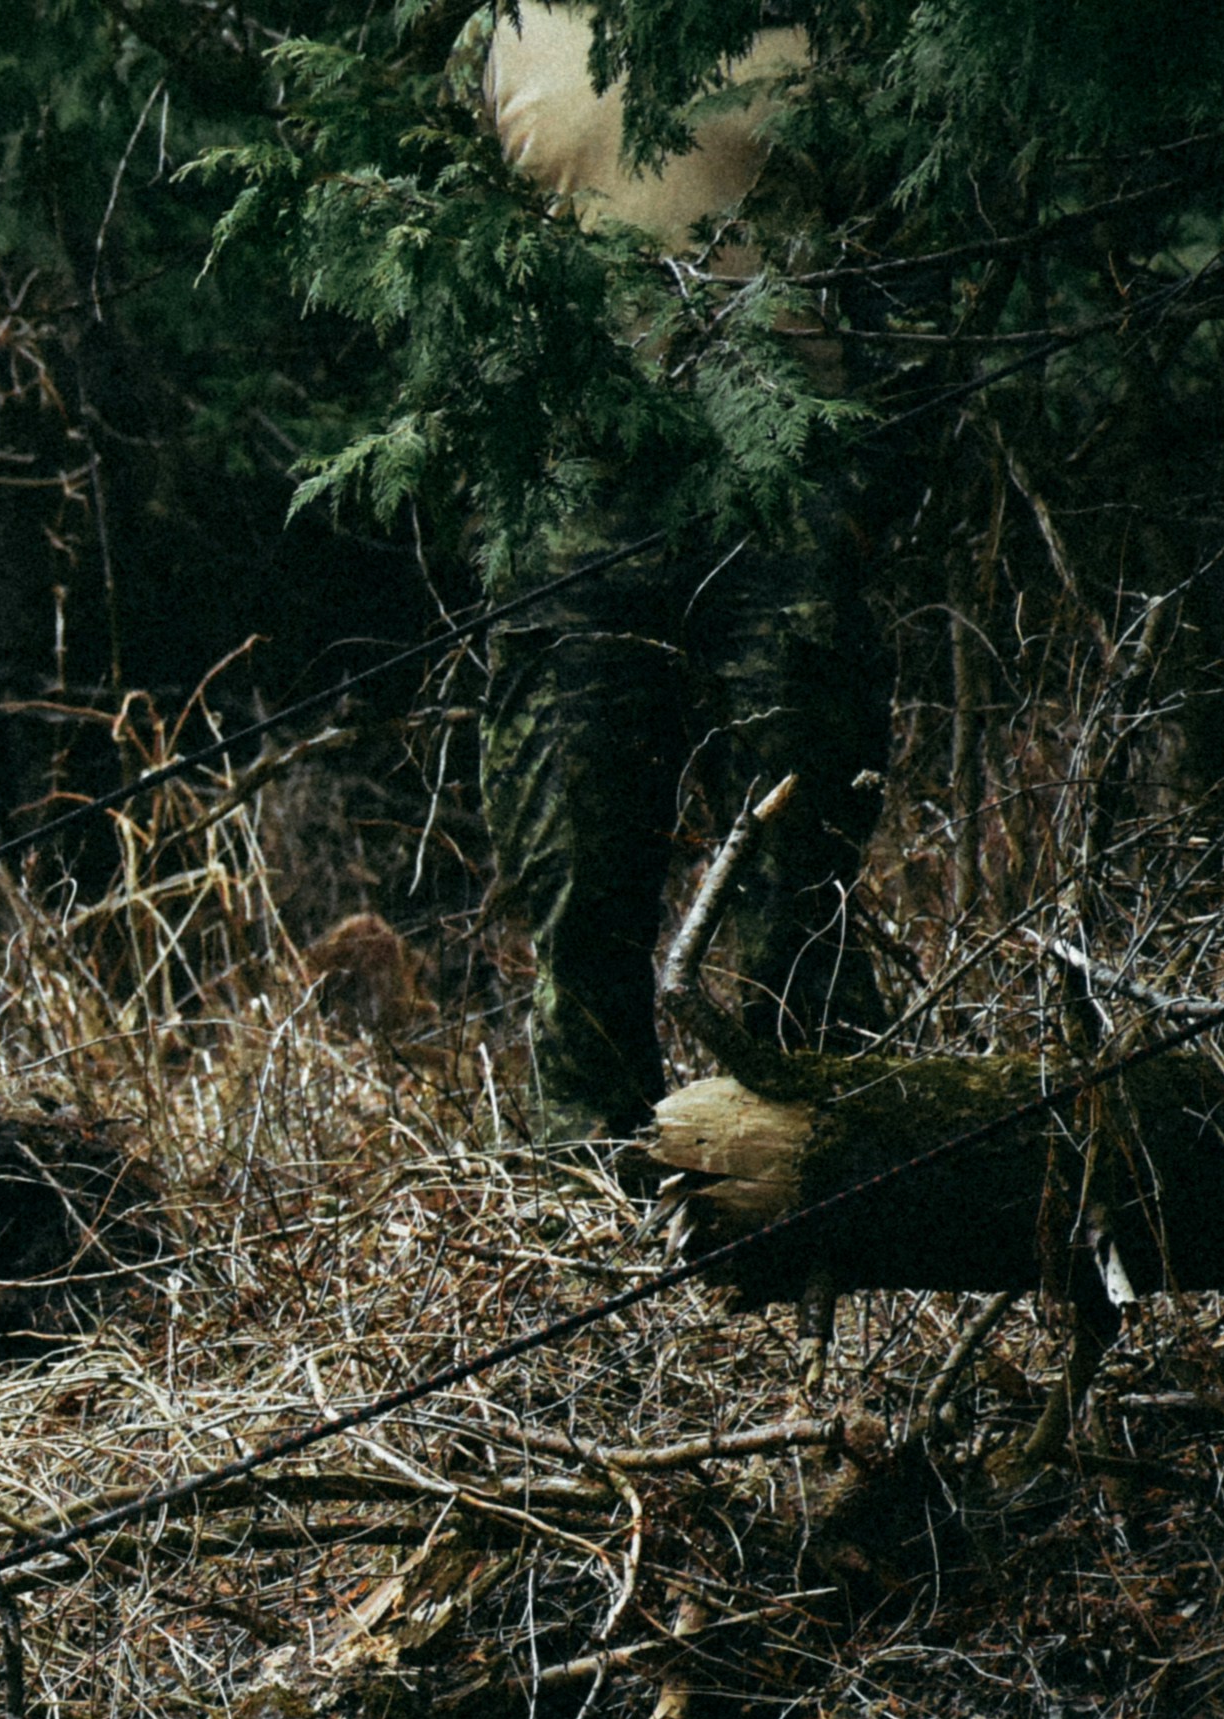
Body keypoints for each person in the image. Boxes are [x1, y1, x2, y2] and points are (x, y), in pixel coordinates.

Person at [478, 4, 900, 1139]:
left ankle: (823, 1166)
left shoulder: (830, 26)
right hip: (580, 505)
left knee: (794, 864)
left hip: (786, 487)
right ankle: (587, 1185)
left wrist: (864, 480)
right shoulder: (508, 30)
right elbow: (456, 272)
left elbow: (907, 257)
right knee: (577, 862)